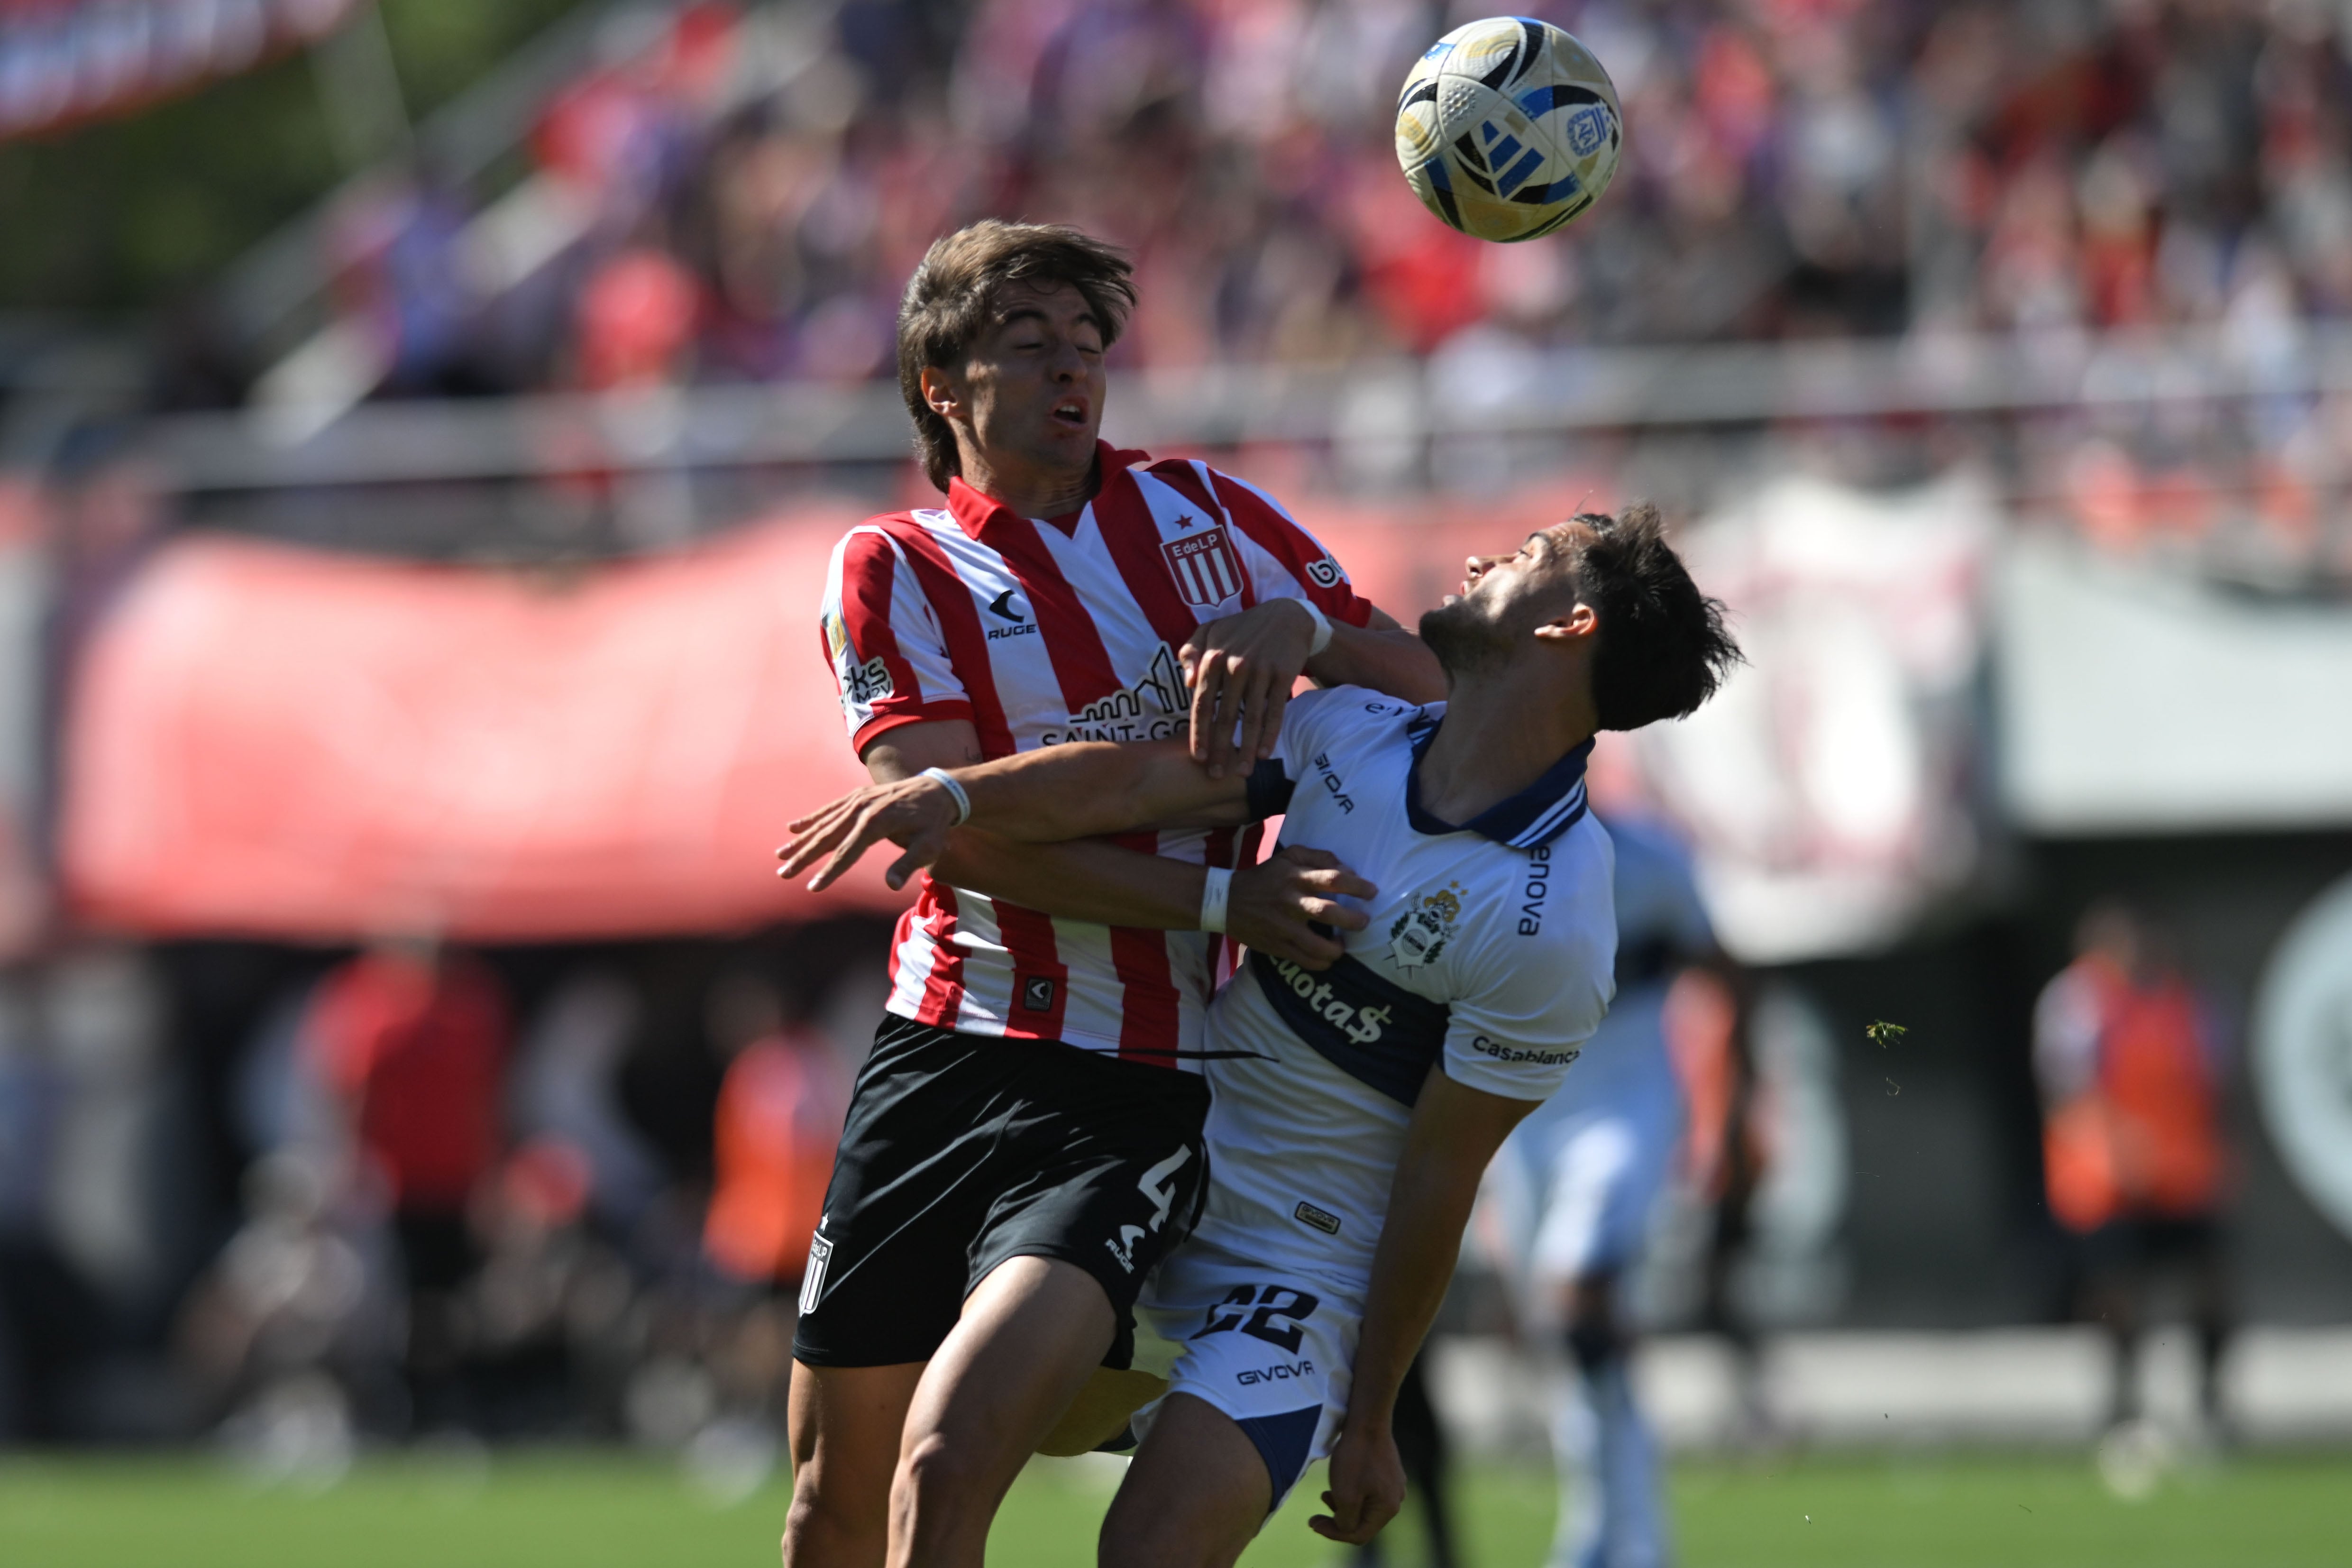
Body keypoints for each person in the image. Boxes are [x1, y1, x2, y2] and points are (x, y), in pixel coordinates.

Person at [781, 503, 1740, 1567]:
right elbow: (1139, 776)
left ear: (1565, 627)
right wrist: (954, 795)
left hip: (1299, 1275)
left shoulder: (1553, 916)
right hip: (1152, 1179)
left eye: (1523, 558)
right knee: (930, 1463)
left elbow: (1438, 1177)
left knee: (1146, 1553)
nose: (1478, 558)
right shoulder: (1351, 731)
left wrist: (1370, 1418)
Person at [785, 219, 1446, 1568]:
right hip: (941, 1055)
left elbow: (1428, 684)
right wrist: (1215, 873)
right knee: (829, 1508)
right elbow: (953, 837)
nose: (1071, 374)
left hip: (1137, 1078)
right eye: (1027, 347)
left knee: (946, 1453)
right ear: (940, 384)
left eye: (1089, 346)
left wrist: (1312, 633)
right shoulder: (894, 566)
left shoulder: (1206, 511)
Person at [1486, 812, 1730, 1568]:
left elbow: (1724, 969)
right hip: (1517, 1112)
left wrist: (1739, 1107)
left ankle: (1608, 1536)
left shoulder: (1653, 857)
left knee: (1575, 1292)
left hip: (1625, 1104)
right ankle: (1618, 1528)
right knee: (1566, 1332)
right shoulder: (1490, 851)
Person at [2035, 900, 2233, 1438]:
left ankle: (2209, 1406)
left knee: (2208, 1290)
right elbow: (2065, 1089)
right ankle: (2121, 1409)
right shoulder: (2077, 1002)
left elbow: (2210, 1084)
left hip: (2181, 1176)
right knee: (2117, 1294)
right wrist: (2114, 1148)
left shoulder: (2185, 1000)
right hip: (2106, 1182)